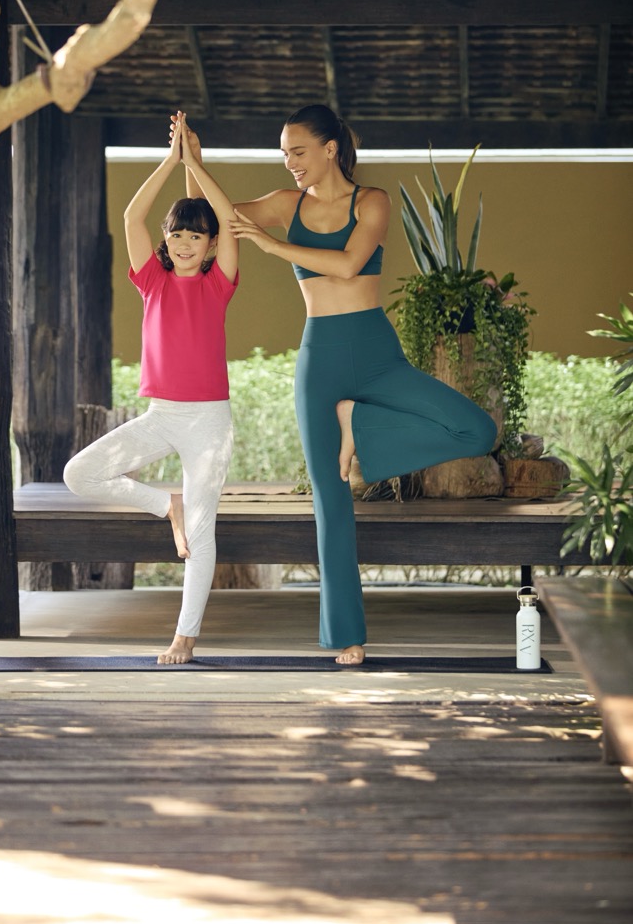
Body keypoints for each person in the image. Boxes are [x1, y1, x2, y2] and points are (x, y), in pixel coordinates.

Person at [184, 104, 497, 666]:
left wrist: (273, 246)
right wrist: (193, 162)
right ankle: (347, 636)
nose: (290, 162)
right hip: (320, 357)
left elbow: (351, 264)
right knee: (331, 498)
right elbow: (208, 219)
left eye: (298, 151)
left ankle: (360, 425)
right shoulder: (286, 204)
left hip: (376, 353)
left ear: (330, 148)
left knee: (476, 429)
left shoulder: (371, 201)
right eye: (284, 153)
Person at [63, 112, 239, 665]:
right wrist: (171, 161)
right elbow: (131, 214)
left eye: (195, 236)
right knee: (78, 474)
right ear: (166, 239)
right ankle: (167, 505)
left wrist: (195, 164)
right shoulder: (152, 281)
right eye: (176, 234)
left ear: (210, 245)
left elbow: (226, 218)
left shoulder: (219, 283)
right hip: (161, 416)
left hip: (208, 422)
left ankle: (185, 636)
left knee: (203, 532)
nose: (184, 243)